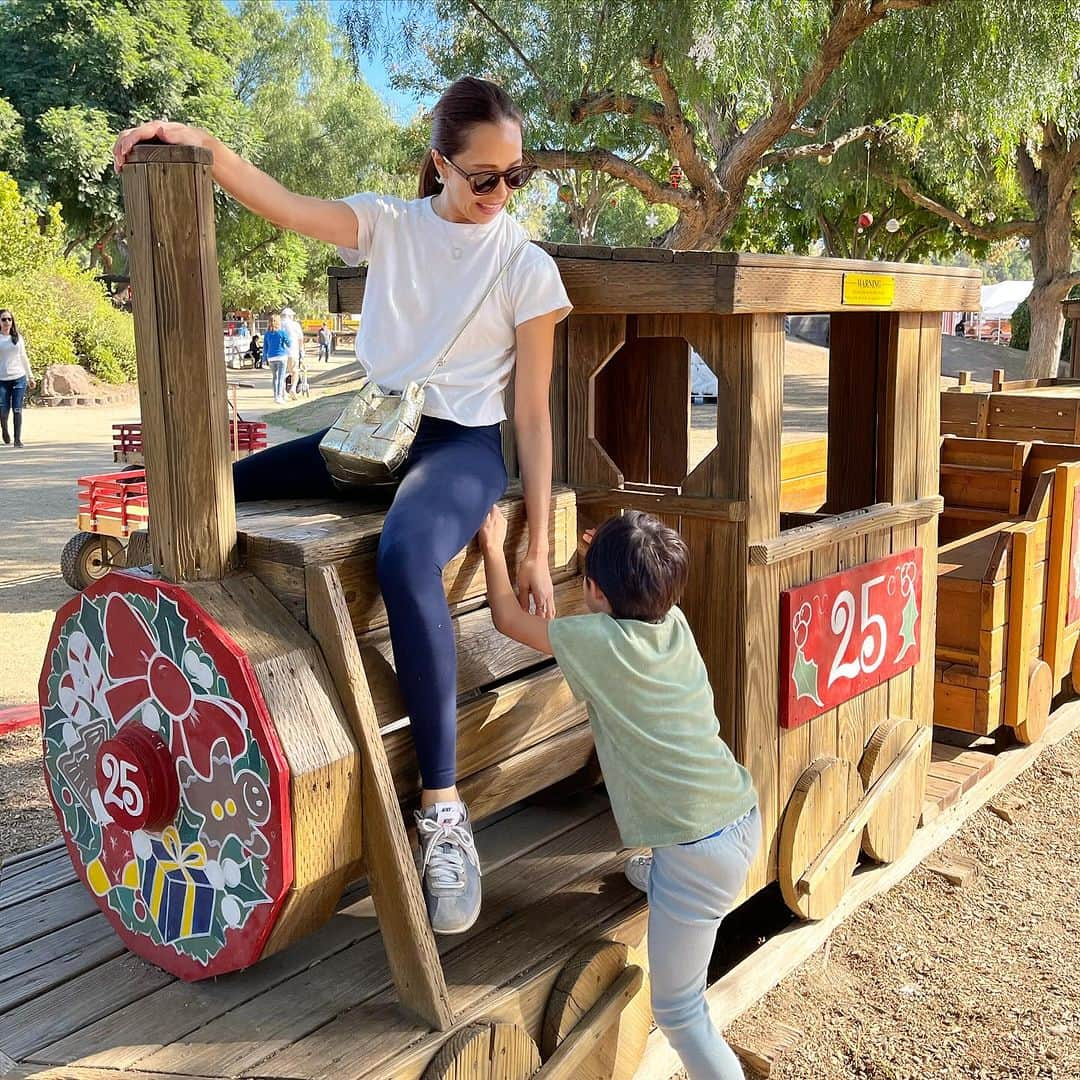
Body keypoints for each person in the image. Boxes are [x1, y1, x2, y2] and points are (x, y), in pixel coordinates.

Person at [113, 76, 571, 935]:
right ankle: (170, 684)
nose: (501, 194)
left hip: (461, 450)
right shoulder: (391, 226)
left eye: (517, 175)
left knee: (405, 556)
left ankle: (441, 809)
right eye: (484, 177)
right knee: (216, 489)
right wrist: (202, 146)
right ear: (440, 163)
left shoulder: (526, 266)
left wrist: (535, 542)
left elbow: (534, 416)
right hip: (372, 436)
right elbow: (285, 205)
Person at [477, 508, 760, 1080]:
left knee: (679, 1011)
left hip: (695, 854)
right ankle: (657, 876)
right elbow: (636, 587)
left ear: (596, 592)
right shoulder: (673, 621)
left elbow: (508, 618)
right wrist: (603, 560)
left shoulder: (597, 641)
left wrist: (492, 544)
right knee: (665, 865)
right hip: (737, 814)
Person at [0, 309, 34, 447]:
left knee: (17, 409)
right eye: (3, 319)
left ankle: (17, 439)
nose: (7, 322)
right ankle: (5, 430)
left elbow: (23, 357)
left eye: (9, 319)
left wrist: (30, 376)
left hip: (18, 377)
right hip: (2, 379)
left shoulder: (18, 338)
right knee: (3, 410)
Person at [261, 313, 291, 404]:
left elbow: (265, 347)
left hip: (271, 357)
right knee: (281, 377)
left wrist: (264, 359)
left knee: (275, 377)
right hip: (281, 356)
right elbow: (288, 343)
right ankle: (279, 396)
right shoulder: (282, 332)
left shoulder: (267, 334)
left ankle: (275, 396)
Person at [282, 307, 303, 397]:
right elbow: (300, 339)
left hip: (281, 353)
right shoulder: (295, 325)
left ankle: (282, 391)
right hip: (293, 352)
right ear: (290, 316)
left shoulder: (279, 325)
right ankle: (293, 388)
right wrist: (301, 350)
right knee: (295, 371)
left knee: (282, 373)